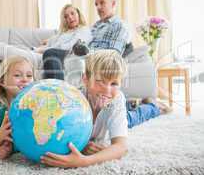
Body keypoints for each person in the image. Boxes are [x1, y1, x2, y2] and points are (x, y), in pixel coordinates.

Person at [40, 50, 171, 168]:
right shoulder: (72, 99)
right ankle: (136, 104)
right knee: (131, 116)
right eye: (100, 81)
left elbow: (121, 147)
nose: (107, 90)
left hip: (112, 112)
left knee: (134, 118)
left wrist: (84, 161)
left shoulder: (116, 98)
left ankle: (154, 106)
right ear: (85, 79)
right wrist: (82, 143)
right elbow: (58, 131)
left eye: (114, 83)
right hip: (103, 114)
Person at [42, 0, 130, 80]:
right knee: (51, 54)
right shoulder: (96, 25)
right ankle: (57, 88)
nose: (98, 7)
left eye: (102, 3)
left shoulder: (120, 25)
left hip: (91, 58)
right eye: (96, 4)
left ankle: (57, 90)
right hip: (80, 55)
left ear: (113, 4)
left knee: (51, 54)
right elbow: (81, 36)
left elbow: (113, 55)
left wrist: (86, 52)